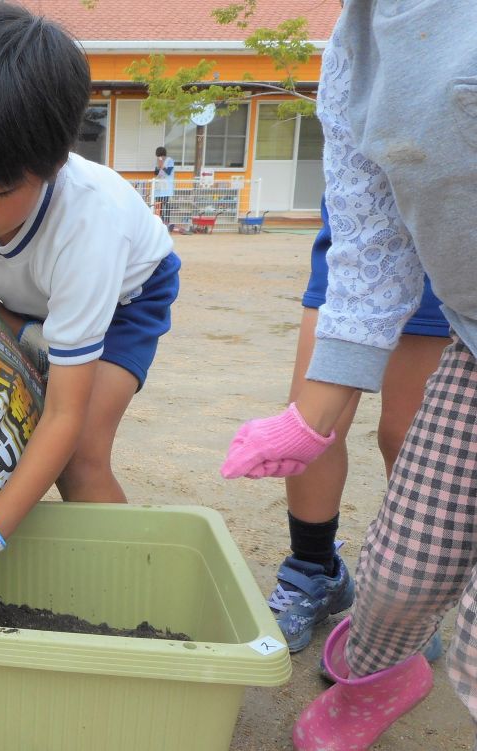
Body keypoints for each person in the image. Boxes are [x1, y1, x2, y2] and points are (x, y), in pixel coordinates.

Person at [221, 1, 477, 748]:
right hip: (470, 336)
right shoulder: (355, 44)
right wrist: (308, 420)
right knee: (398, 573)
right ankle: (373, 663)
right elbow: (371, 246)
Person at [0, 2, 181, 606]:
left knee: (78, 454)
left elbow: (64, 417)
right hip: (16, 295)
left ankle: (144, 596)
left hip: (125, 296)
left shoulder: (89, 227)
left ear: (53, 165)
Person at [268, 195, 450, 653]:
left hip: (445, 241)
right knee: (309, 425)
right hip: (355, 238)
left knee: (411, 434)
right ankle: (314, 569)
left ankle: (407, 600)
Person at [152, 146, 174, 226]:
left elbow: (168, 172)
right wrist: (158, 167)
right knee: (158, 205)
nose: (160, 157)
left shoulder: (170, 160)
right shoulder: (158, 161)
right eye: (159, 156)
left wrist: (162, 166)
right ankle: (159, 223)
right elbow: (155, 173)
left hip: (167, 187)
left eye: (160, 156)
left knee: (166, 204)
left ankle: (167, 223)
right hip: (159, 187)